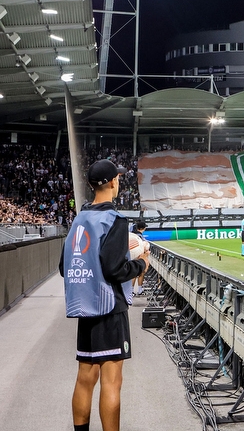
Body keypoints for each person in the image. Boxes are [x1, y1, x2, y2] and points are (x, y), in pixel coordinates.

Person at [60, 159, 148, 431]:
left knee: (85, 378)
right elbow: (115, 268)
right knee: (112, 381)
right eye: (117, 178)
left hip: (85, 307)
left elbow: (64, 267)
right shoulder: (115, 219)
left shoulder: (79, 219)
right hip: (110, 309)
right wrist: (141, 264)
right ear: (113, 182)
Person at [130, 219, 149, 295]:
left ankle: (131, 290)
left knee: (133, 272)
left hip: (131, 255)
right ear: (143, 228)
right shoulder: (140, 236)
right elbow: (145, 247)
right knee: (141, 272)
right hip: (139, 256)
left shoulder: (132, 234)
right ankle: (139, 289)